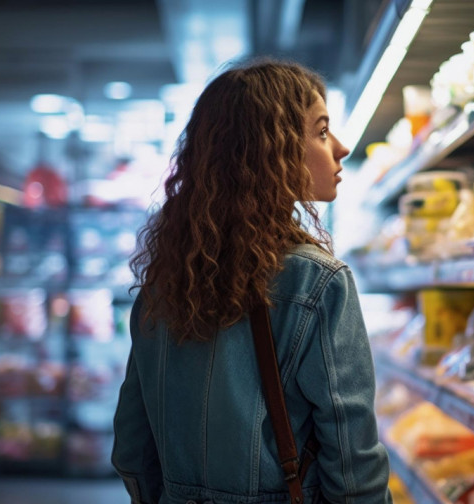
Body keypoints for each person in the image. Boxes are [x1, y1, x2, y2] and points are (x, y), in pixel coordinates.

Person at [112, 58, 392, 504]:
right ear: (271, 152)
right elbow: (352, 460)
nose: (340, 148)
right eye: (321, 132)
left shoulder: (162, 286)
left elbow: (131, 445)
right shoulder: (317, 283)